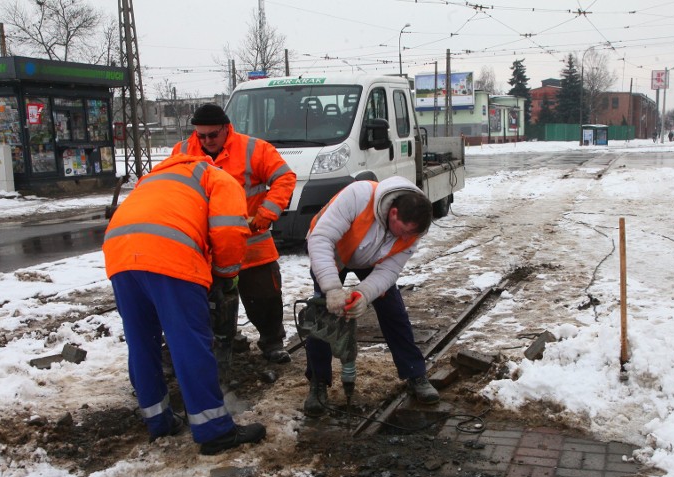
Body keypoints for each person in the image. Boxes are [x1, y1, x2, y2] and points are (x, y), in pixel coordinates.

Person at [103, 153, 266, 455]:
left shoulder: (153, 178)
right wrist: (226, 274)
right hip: (170, 254)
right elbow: (230, 230)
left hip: (119, 255)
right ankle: (214, 431)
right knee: (188, 342)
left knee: (142, 342)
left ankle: (158, 421)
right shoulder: (216, 177)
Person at [302, 176, 438, 417]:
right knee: (323, 314)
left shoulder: (413, 231)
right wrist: (332, 288)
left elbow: (389, 271)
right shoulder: (359, 196)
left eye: (411, 235)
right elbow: (321, 239)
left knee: (394, 311)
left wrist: (364, 294)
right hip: (331, 251)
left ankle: (415, 373)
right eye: (403, 232)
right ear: (393, 213)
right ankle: (318, 383)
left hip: (373, 258)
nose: (406, 239)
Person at [173, 103, 297, 364]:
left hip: (251, 243)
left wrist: (264, 215)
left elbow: (284, 178)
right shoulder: (183, 151)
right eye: (201, 136)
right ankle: (221, 341)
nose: (206, 141)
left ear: (226, 129)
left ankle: (272, 342)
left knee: (264, 296)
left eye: (212, 135)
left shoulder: (254, 148)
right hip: (205, 248)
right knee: (207, 302)